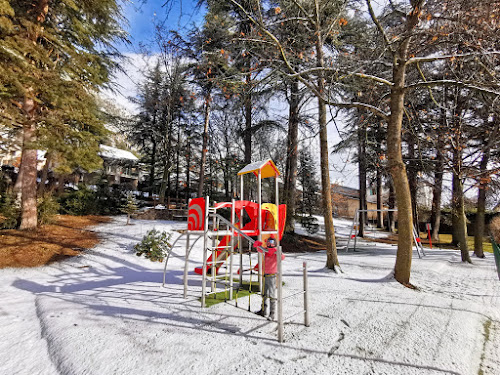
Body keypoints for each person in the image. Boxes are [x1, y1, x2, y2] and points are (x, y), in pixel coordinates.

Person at [253, 235, 285, 321]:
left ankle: (272, 314)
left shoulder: (275, 252)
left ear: (274, 243)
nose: (269, 244)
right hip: (265, 275)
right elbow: (259, 249)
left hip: (272, 276)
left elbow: (282, 257)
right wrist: (257, 244)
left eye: (271, 242)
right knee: (264, 294)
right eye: (268, 242)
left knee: (271, 295)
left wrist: (275, 250)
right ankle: (263, 310)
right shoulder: (266, 251)